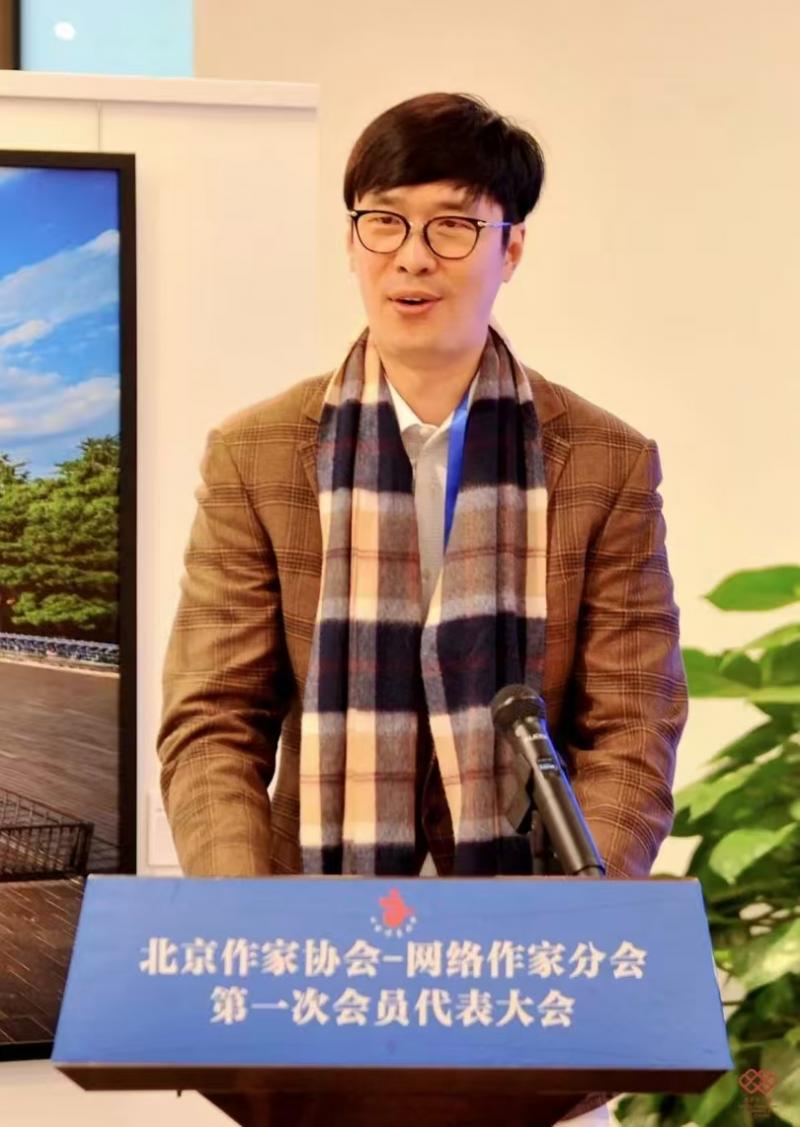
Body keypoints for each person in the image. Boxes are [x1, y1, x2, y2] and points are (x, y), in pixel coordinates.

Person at [158, 93, 687, 1125]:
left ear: (510, 247)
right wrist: (243, 919)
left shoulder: (605, 459)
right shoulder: (258, 452)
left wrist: (575, 922)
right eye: (384, 221)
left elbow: (634, 719)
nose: (411, 257)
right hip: (311, 946)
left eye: (452, 225)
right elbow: (212, 719)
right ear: (352, 239)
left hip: (527, 954)